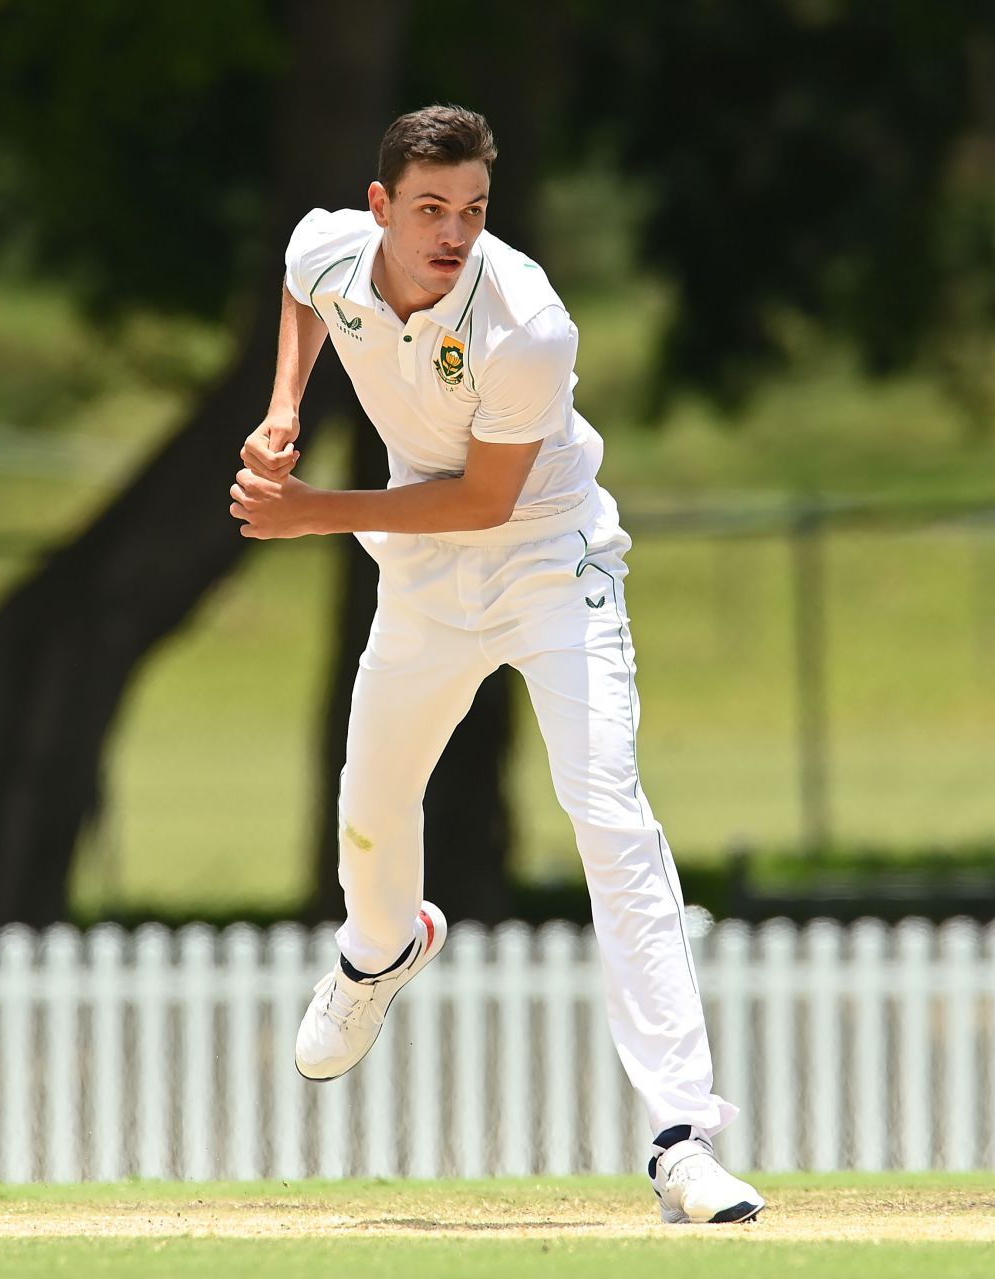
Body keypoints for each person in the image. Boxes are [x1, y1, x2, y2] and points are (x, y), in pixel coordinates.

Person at [229, 104, 764, 1225]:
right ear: (381, 208)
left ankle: (682, 1138)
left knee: (606, 809)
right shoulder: (335, 249)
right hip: (425, 582)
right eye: (430, 209)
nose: (454, 232)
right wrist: (284, 411)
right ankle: (380, 956)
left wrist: (311, 510)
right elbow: (299, 286)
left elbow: (485, 499)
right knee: (372, 802)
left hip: (544, 564)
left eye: (472, 210)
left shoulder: (529, 324)